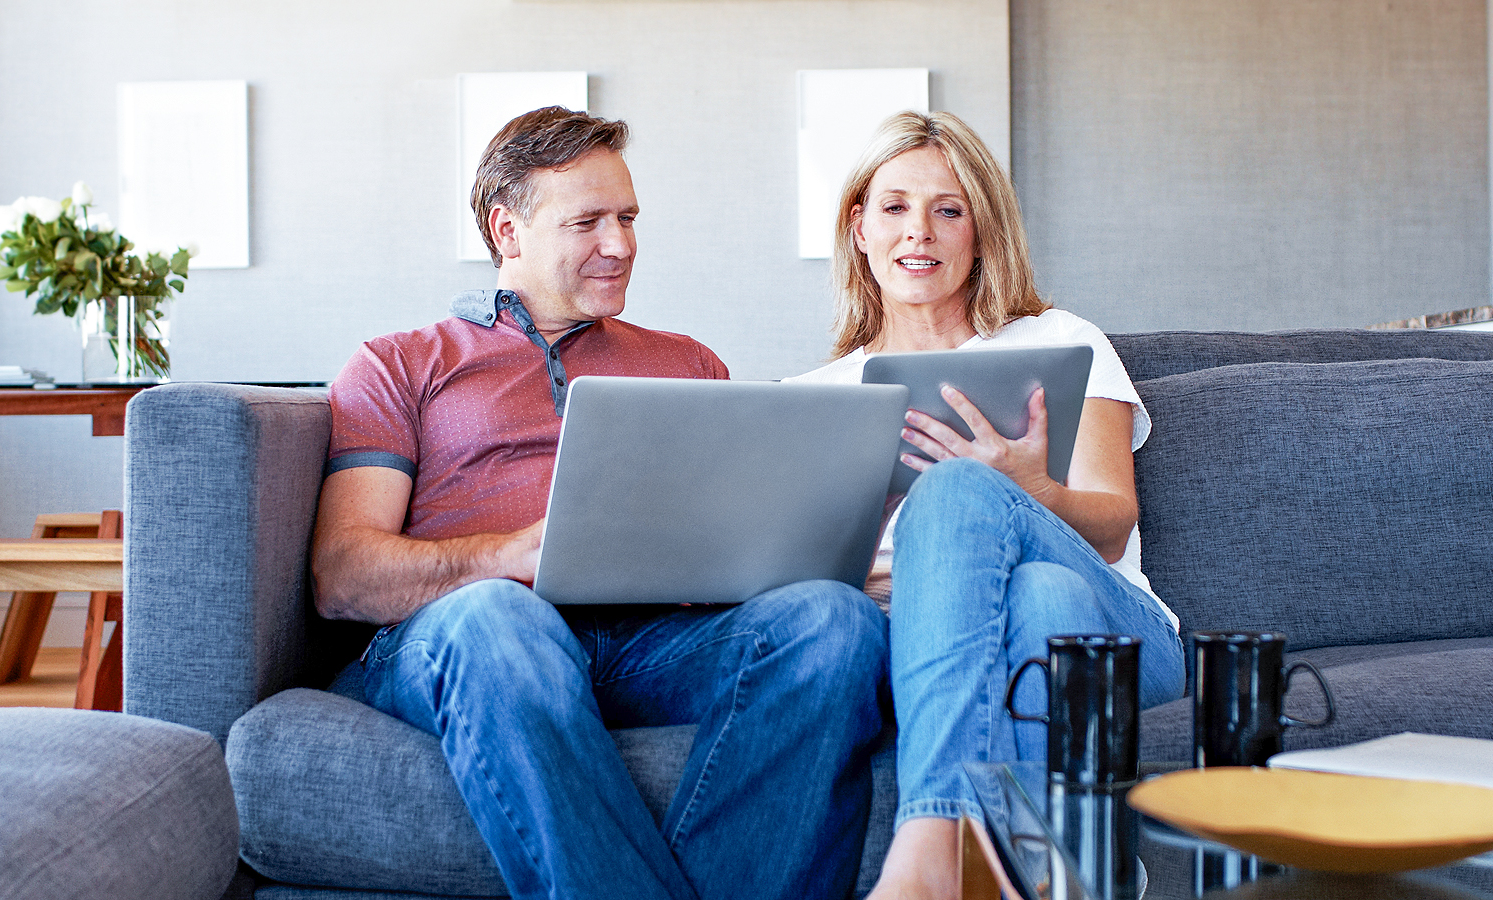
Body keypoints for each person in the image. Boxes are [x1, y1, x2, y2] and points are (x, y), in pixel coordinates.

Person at [311, 106, 888, 900]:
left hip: (656, 638)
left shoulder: (687, 363)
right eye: (588, 222)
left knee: (834, 620)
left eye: (627, 218)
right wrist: (505, 556)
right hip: (475, 635)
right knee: (496, 615)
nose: (620, 245)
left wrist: (812, 549)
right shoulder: (399, 364)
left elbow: (750, 548)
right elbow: (343, 574)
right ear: (506, 229)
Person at [788, 110, 1185, 900]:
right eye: (895, 207)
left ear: (980, 231)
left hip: (1121, 636)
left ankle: (931, 839)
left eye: (949, 208)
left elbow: (1113, 525)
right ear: (859, 228)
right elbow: (788, 585)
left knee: (965, 488)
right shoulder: (815, 399)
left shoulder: (1060, 341)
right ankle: (1069, 881)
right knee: (1039, 598)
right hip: (935, 636)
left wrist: (1030, 490)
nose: (919, 233)